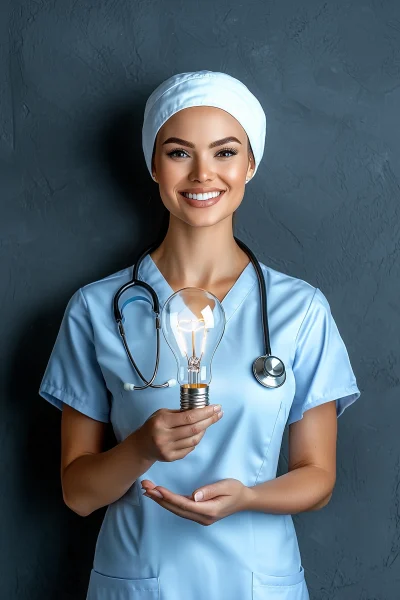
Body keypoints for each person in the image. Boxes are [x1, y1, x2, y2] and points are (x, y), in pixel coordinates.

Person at [38, 70, 361, 600]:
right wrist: (142, 446)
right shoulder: (97, 309)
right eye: (180, 153)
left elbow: (317, 477)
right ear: (153, 164)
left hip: (257, 582)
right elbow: (78, 493)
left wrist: (248, 498)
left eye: (226, 152)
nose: (203, 174)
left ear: (251, 163)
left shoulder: (298, 309)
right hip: (141, 579)